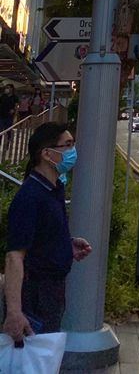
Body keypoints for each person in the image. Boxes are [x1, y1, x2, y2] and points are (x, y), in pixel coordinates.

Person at [2, 122, 92, 338]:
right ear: (46, 153)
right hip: (35, 295)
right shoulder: (30, 196)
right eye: (67, 145)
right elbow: (15, 256)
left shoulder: (54, 188)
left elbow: (42, 233)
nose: (73, 151)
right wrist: (14, 312)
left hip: (52, 292)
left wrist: (65, 244)